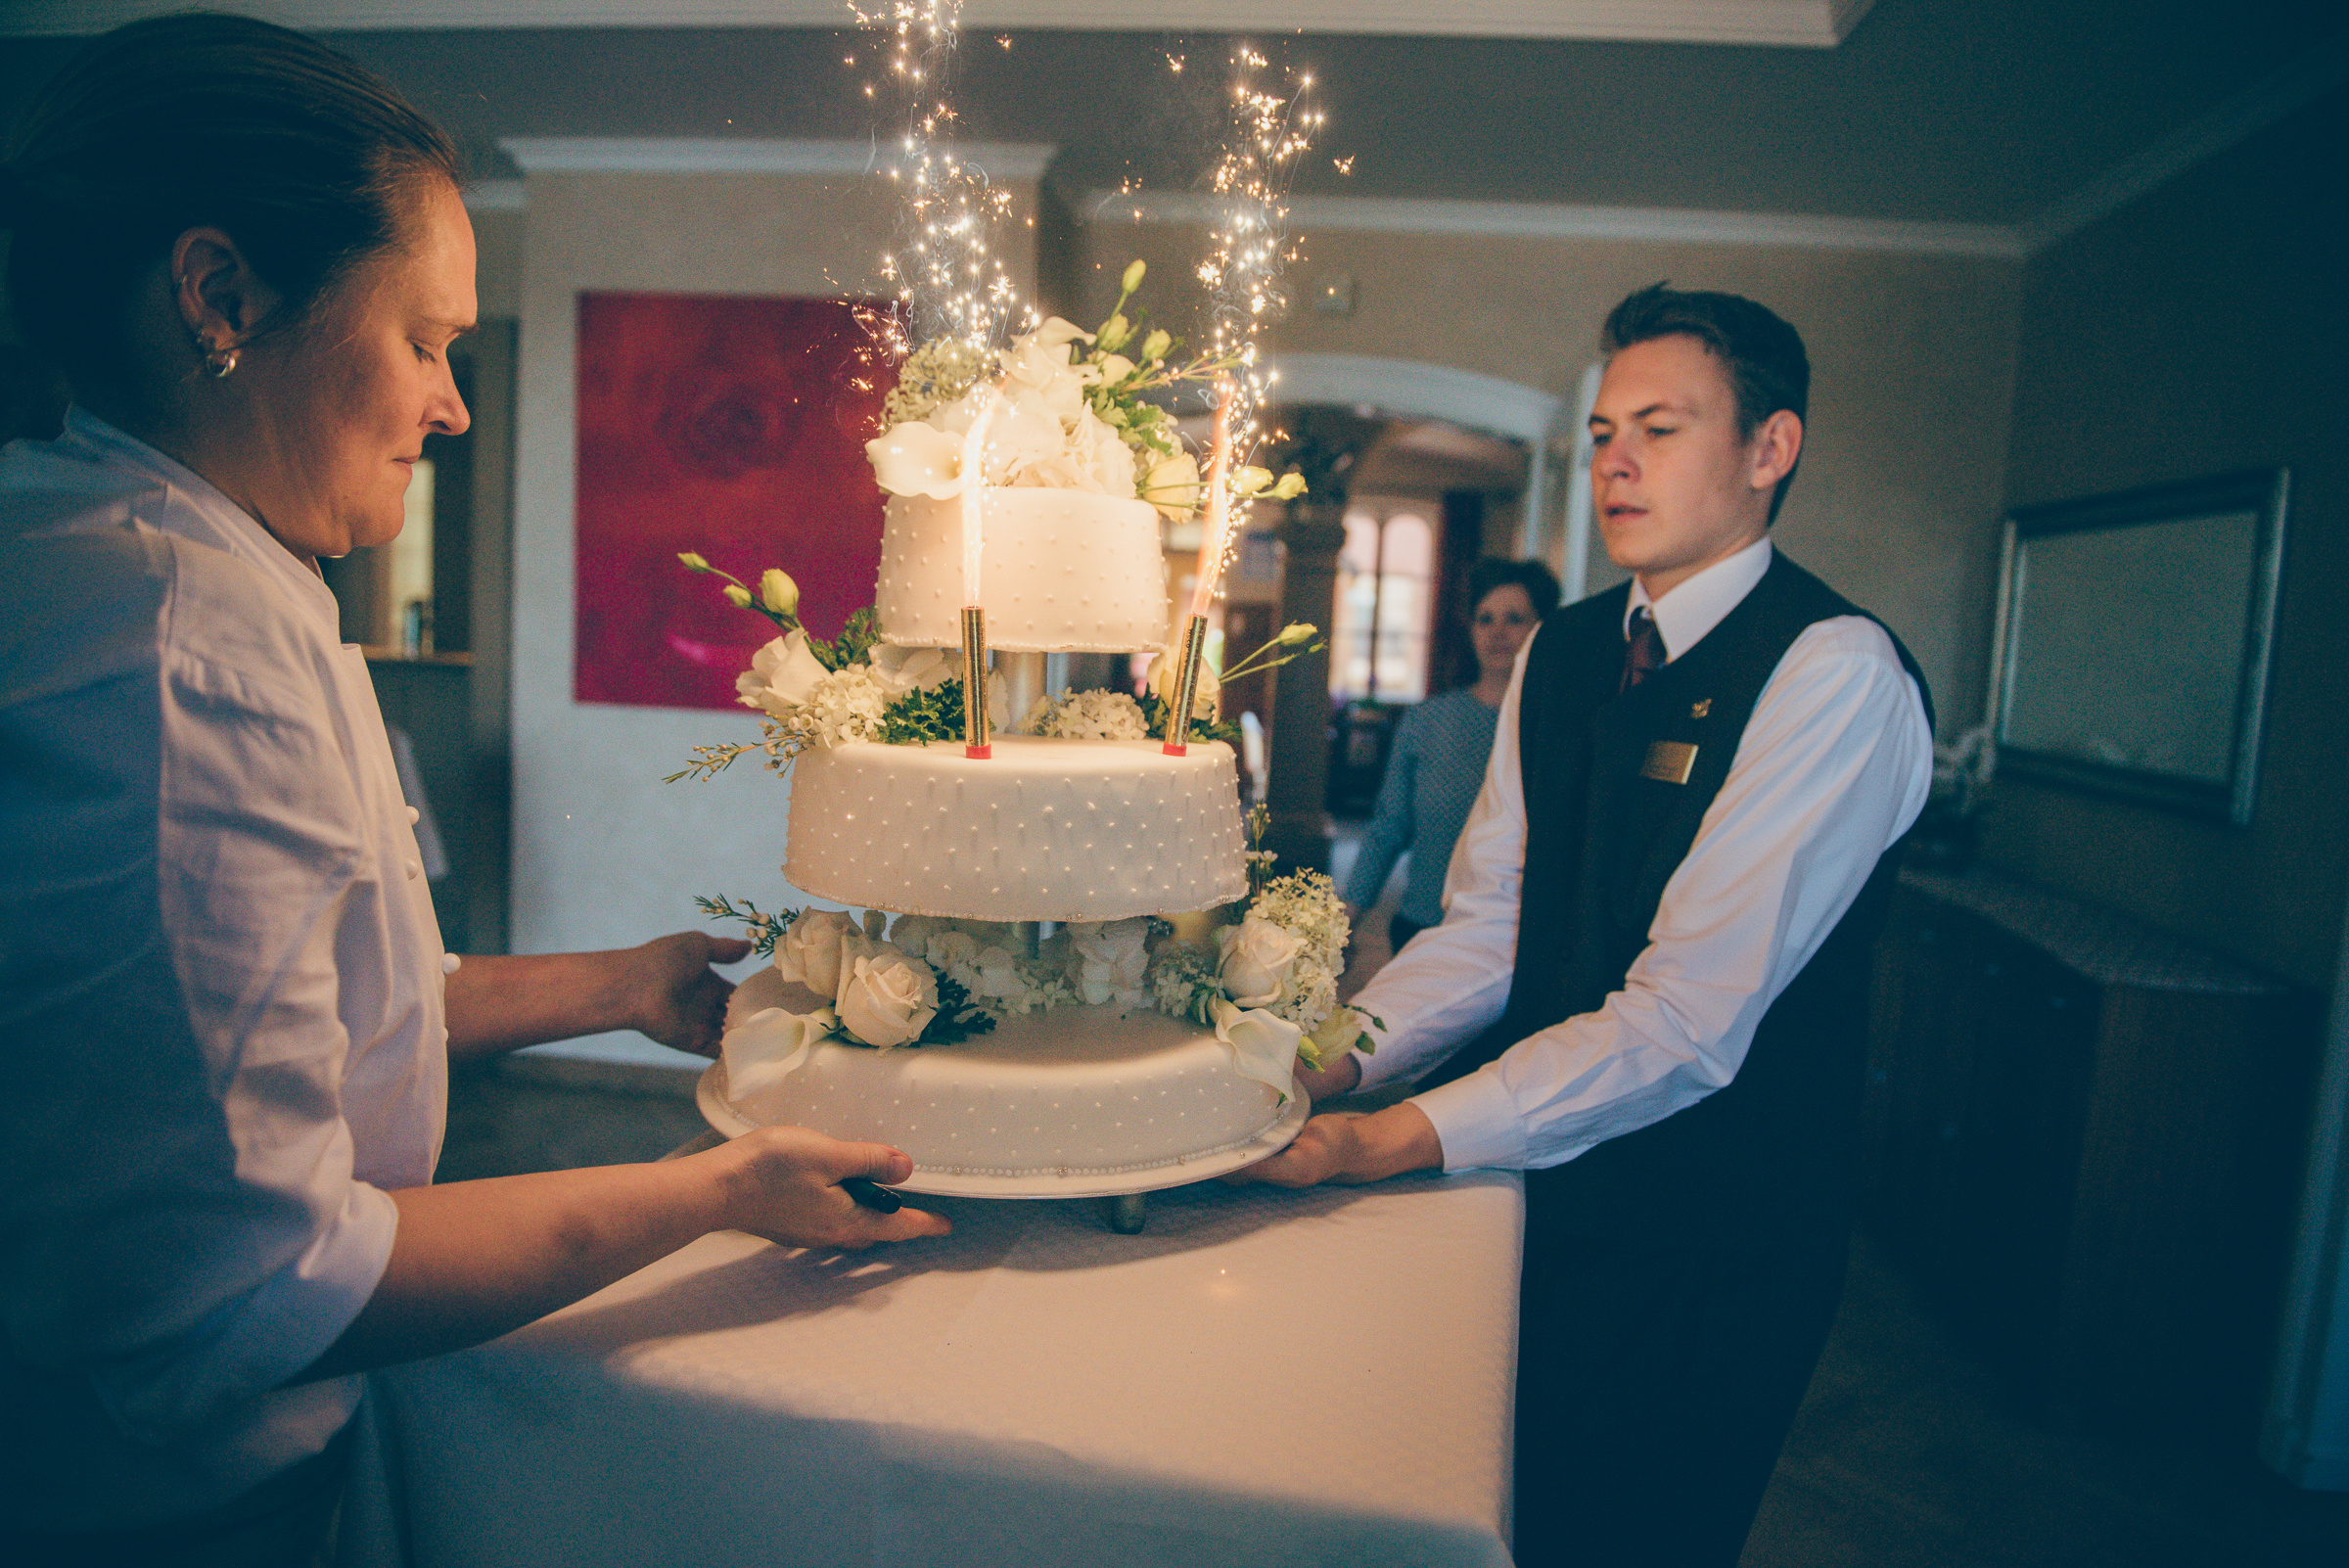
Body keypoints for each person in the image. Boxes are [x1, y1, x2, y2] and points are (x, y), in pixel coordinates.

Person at [0, 18, 946, 1563]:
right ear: (222, 296)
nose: (452, 404)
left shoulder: (139, 550)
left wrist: (618, 984)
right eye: (426, 340)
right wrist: (716, 1188)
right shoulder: (183, 663)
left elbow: (309, 1003)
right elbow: (262, 1286)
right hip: (173, 1511)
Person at [1238, 284, 1934, 1565]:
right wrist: (1323, 1058)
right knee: (1506, 1505)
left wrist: (1383, 1138)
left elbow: (1687, 1021)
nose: (1616, 462)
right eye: (1607, 432)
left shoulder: (1834, 673)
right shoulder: (1563, 651)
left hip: (1712, 1225)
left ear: (1770, 448)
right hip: (1538, 1174)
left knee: (1631, 1532)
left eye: (1660, 430)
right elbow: (1490, 923)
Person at [1341, 557, 1560, 955]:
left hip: (1519, 941)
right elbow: (1388, 827)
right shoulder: (1427, 720)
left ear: (1541, 628)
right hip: (1423, 927)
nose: (1497, 632)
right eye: (1484, 619)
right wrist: (1344, 924)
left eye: (1514, 619)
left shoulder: (1559, 727)